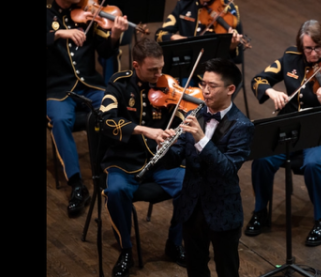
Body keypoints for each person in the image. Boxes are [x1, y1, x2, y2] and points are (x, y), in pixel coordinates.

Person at [246, 19, 321, 247]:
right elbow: (258, 80)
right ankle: (260, 212)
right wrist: (272, 92)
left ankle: (320, 220)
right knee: (262, 158)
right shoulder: (289, 59)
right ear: (301, 46)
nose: (314, 54)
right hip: (293, 128)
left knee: (313, 165)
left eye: (318, 48)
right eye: (308, 48)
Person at [98, 38, 191, 277]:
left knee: (191, 184)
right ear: (136, 65)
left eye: (161, 68)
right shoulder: (118, 84)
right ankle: (126, 250)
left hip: (161, 162)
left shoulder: (166, 85)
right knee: (116, 192)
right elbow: (106, 122)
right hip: (124, 161)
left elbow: (181, 116)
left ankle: (174, 244)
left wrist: (178, 125)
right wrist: (143, 129)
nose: (159, 74)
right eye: (153, 70)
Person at [158, 57, 254, 277]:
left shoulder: (242, 126)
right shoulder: (195, 113)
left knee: (227, 269)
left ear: (230, 89)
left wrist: (201, 139)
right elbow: (175, 158)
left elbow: (228, 169)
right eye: (203, 84)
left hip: (222, 210)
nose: (205, 91)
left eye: (212, 86)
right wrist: (165, 146)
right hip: (191, 207)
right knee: (195, 268)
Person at [47, 0, 128, 217]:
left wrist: (115, 35)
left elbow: (105, 50)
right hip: (56, 89)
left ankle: (114, 168)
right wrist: (58, 34)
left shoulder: (87, 12)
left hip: (89, 85)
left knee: (113, 105)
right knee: (61, 120)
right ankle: (77, 185)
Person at [153, 0, 245, 85]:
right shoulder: (184, 4)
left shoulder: (228, 8)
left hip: (214, 72)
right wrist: (173, 37)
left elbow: (238, 58)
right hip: (186, 69)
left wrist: (232, 47)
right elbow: (160, 34)